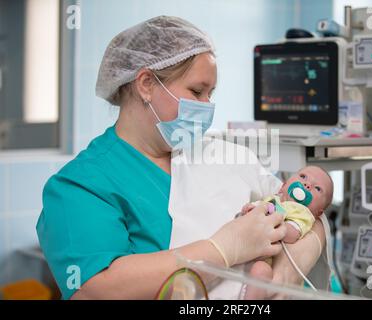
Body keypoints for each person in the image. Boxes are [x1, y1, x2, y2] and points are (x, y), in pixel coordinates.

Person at [36, 16, 325, 300]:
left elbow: (311, 211)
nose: (206, 107)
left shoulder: (226, 156)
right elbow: (96, 288)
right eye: (196, 91)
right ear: (146, 84)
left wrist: (283, 279)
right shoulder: (80, 185)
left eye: (210, 94)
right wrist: (222, 249)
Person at [240, 166, 334, 299]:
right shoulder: (272, 200)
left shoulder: (303, 214)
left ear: (319, 212)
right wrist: (250, 209)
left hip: (266, 259)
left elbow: (292, 234)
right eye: (303, 177)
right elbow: (258, 208)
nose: (307, 184)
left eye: (318, 188)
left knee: (261, 271)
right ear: (283, 187)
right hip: (247, 247)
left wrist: (278, 223)